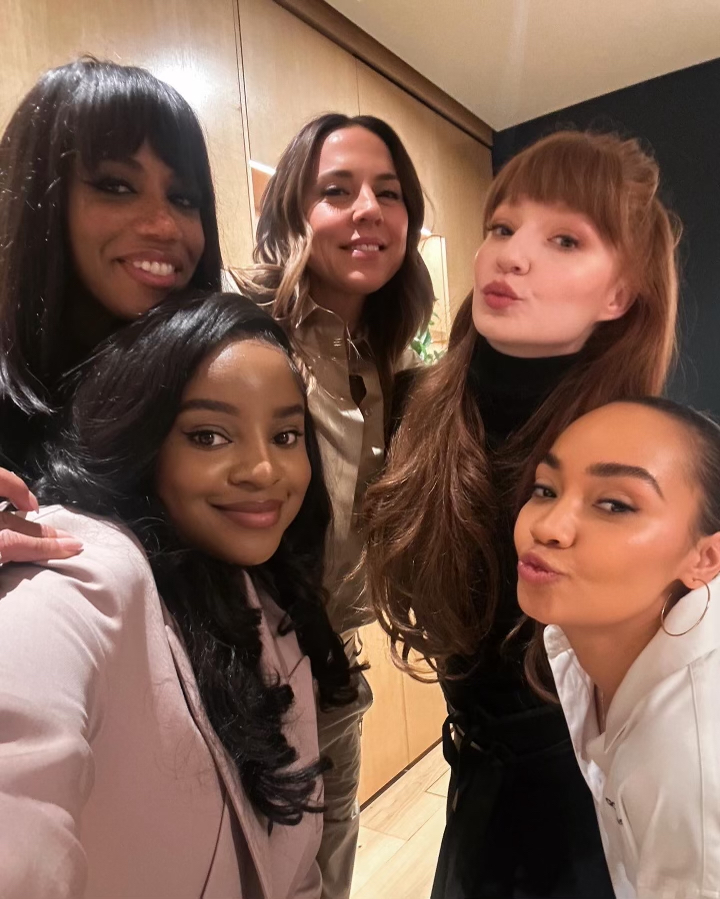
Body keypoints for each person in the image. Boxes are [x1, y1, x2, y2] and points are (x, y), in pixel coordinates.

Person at [364, 130, 680, 897]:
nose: (511, 255)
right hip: (473, 794)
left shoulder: (648, 459)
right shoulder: (421, 410)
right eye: (502, 228)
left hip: (590, 824)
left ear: (619, 294)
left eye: (564, 238)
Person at [0, 291, 358, 899]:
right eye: (210, 436)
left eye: (286, 435)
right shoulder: (82, 571)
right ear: (145, 443)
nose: (264, 471)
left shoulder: (263, 598)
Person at [230, 113, 434, 898]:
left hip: (335, 663)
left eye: (388, 192)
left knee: (330, 859)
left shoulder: (387, 352)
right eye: (336, 190)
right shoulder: (242, 331)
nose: (367, 210)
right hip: (242, 664)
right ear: (294, 212)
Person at [0, 56, 221, 562]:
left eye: (185, 198)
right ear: (40, 201)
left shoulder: (208, 391)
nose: (166, 227)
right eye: (116, 186)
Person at [515, 398, 720, 899]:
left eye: (615, 505)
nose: (547, 527)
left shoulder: (688, 764)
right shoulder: (586, 637)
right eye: (546, 489)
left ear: (705, 557)